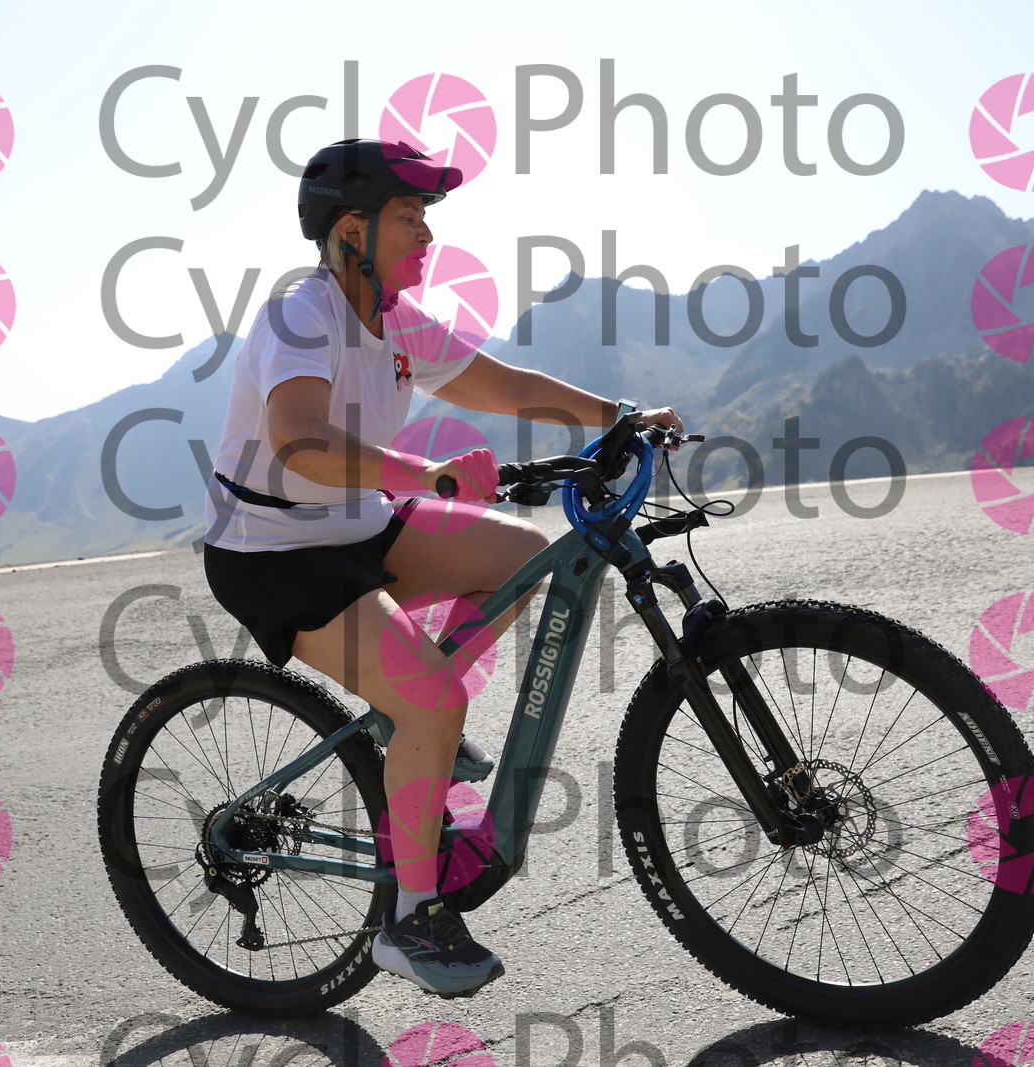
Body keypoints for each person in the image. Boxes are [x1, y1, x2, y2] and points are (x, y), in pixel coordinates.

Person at [201, 138, 681, 997]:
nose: (427, 235)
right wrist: (426, 476)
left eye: (427, 218)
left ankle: (416, 722)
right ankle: (412, 916)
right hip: (274, 553)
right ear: (353, 230)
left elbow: (506, 387)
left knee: (521, 555)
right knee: (432, 696)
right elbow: (300, 440)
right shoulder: (300, 318)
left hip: (359, 524)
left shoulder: (398, 321)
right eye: (408, 218)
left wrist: (618, 414)